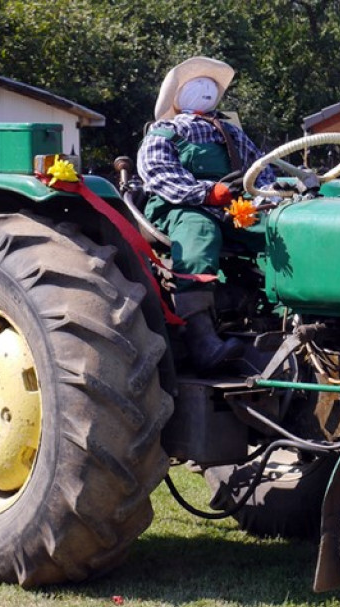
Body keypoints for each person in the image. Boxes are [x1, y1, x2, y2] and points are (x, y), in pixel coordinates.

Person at [137, 56, 276, 373]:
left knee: (279, 228)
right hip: (179, 208)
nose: (206, 89)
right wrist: (205, 193)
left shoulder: (232, 132)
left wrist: (273, 198)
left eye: (210, 84)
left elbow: (260, 170)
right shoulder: (165, 132)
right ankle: (199, 335)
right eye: (195, 84)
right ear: (177, 95)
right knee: (200, 231)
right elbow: (160, 175)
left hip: (232, 207)